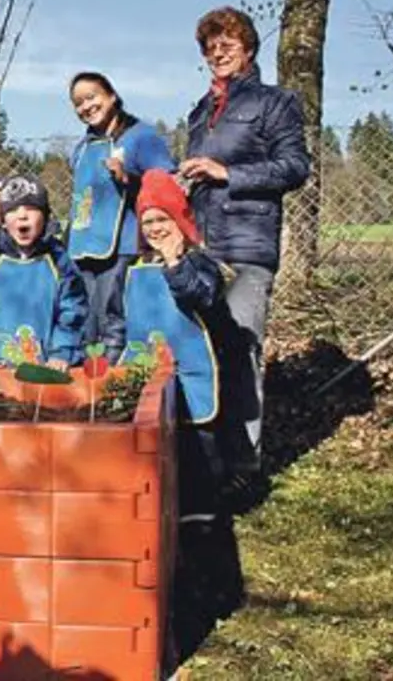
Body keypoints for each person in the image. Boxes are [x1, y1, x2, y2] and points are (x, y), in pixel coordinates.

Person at [179, 6, 311, 477]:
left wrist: (227, 173)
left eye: (227, 45)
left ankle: (243, 467)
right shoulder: (199, 112)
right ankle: (205, 460)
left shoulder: (275, 102)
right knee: (202, 351)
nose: (218, 54)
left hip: (248, 246)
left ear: (248, 49)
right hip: (203, 249)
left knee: (241, 351)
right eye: (211, 48)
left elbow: (295, 167)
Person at [119, 169, 254, 524]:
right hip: (145, 368)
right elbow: (119, 319)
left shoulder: (198, 262)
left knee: (197, 446)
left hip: (190, 369)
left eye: (162, 218)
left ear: (180, 219)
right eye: (147, 221)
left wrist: (175, 262)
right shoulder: (134, 268)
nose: (155, 228)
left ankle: (202, 514)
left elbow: (203, 296)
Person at [65, 71, 177, 352]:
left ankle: (115, 385)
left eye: (91, 97)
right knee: (86, 323)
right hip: (83, 247)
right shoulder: (82, 147)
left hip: (123, 245)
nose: (85, 107)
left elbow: (167, 185)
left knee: (115, 323)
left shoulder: (141, 137)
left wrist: (130, 179)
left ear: (111, 96)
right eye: (78, 103)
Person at [0, 176, 88, 372]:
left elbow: (72, 312)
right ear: (3, 221)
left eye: (31, 209)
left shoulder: (59, 261)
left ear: (46, 217)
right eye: (12, 210)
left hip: (49, 368)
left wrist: (62, 353)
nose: (22, 216)